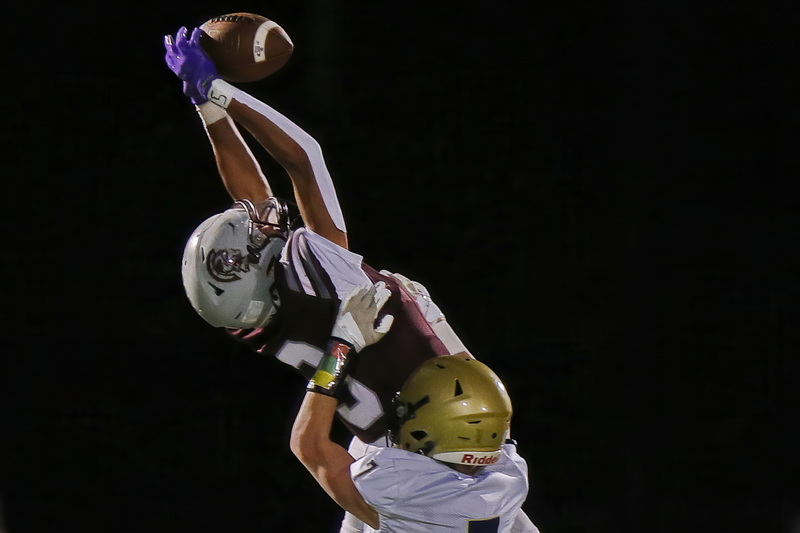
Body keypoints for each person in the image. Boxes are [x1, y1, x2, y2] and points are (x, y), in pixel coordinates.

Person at [163, 25, 539, 532]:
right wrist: (218, 96)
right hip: (414, 459)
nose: (262, 226)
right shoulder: (499, 475)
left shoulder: (250, 320)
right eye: (251, 243)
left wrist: (344, 342)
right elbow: (304, 159)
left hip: (392, 454)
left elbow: (311, 445)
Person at [292, 282, 536, 532]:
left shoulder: (403, 487)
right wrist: (432, 322)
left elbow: (309, 444)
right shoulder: (510, 476)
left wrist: (342, 346)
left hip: (393, 509)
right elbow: (480, 394)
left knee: (367, 447)